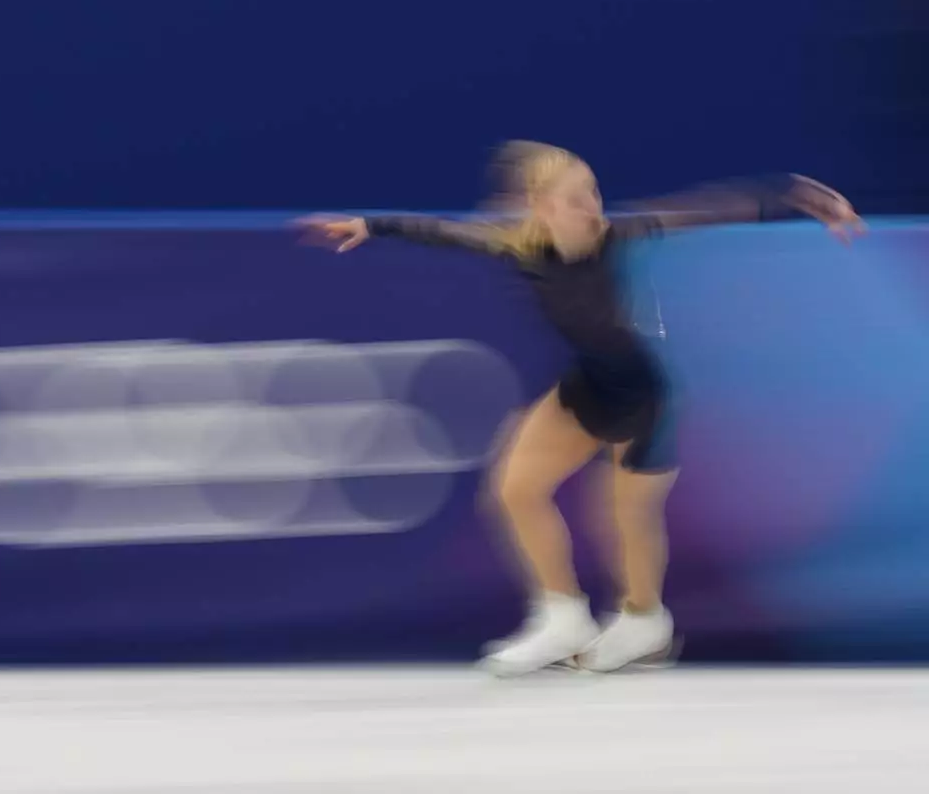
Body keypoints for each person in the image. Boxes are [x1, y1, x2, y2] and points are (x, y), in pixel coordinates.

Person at [299, 141, 864, 675]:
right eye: (576, 197)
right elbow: (441, 232)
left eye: (593, 192)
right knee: (514, 490)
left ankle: (645, 622)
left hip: (643, 395)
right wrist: (369, 226)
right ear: (539, 206)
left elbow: (716, 207)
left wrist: (800, 193)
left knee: (620, 517)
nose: (592, 206)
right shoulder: (514, 241)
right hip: (586, 388)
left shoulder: (622, 233)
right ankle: (562, 616)